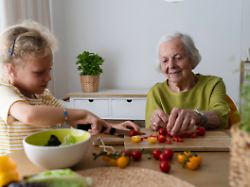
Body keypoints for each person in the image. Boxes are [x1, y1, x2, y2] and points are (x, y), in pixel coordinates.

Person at [0, 21, 139, 155]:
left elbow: (76, 120)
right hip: (14, 174)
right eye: (39, 72)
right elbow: (30, 115)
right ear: (12, 70)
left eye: (49, 70)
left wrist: (111, 127)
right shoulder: (4, 92)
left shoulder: (44, 96)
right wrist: (78, 114)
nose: (48, 77)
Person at [145, 32, 230, 136]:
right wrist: (154, 123)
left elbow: (222, 117)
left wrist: (198, 116)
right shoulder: (155, 92)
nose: (171, 65)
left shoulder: (213, 84)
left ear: (192, 58)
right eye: (165, 60)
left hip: (209, 148)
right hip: (170, 149)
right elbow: (150, 131)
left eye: (178, 57)